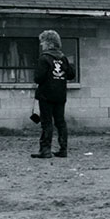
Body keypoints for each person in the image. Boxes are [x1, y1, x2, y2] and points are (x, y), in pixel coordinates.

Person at [32, 30, 76, 158]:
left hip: (46, 95)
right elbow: (71, 75)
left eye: (43, 42)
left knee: (46, 122)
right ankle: (63, 149)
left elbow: (38, 78)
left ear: (49, 43)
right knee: (60, 122)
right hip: (60, 94)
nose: (41, 45)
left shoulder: (44, 58)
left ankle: (45, 150)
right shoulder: (63, 58)